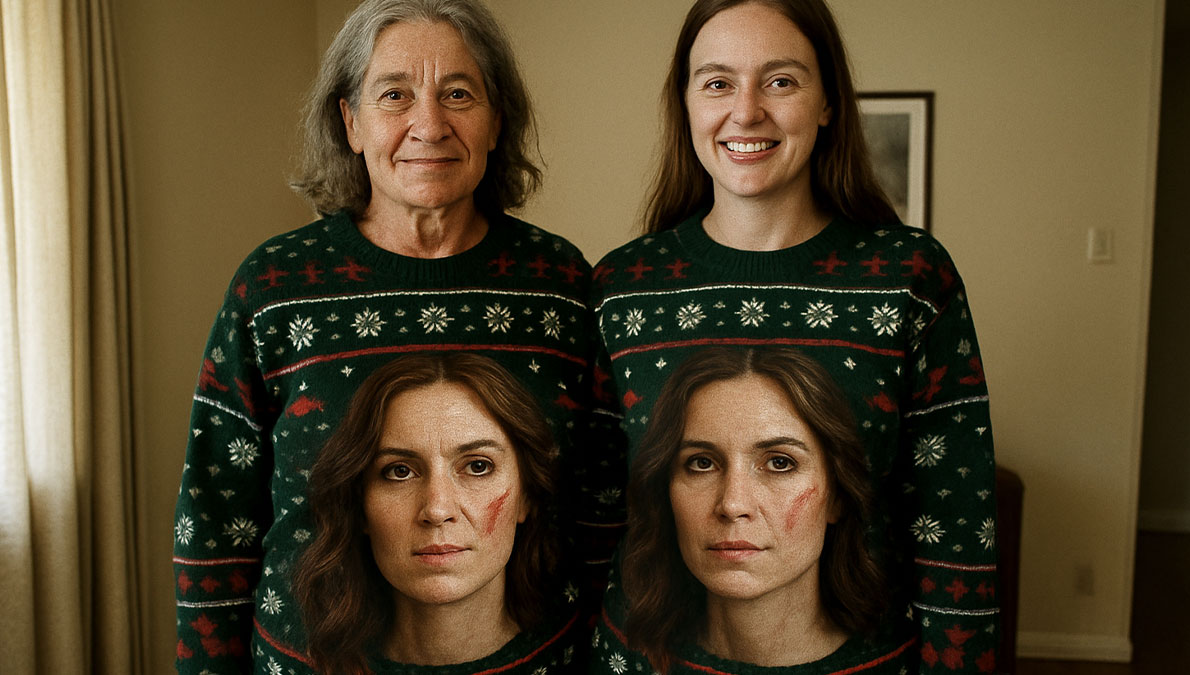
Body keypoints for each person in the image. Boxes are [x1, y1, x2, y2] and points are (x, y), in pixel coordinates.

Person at [172, 1, 622, 672]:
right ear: (351, 122)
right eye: (395, 95)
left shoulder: (559, 284)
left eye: (459, 94)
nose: (428, 124)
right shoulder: (275, 286)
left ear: (497, 120)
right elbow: (214, 518)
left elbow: (604, 504)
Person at [591, 0, 998, 672]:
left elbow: (956, 520)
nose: (745, 111)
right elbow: (596, 513)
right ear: (686, 104)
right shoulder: (623, 285)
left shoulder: (909, 276)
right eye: (718, 82)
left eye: (780, 81)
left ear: (828, 103)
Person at [596, 347, 908, 674]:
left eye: (779, 463)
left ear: (837, 496)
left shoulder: (903, 662)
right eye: (702, 463)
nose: (732, 505)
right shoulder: (623, 655)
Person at [293, 352, 581, 674]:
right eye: (399, 471)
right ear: (360, 508)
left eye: (477, 466)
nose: (437, 509)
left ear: (526, 496)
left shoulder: (583, 660)